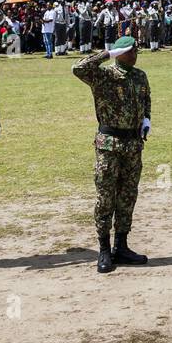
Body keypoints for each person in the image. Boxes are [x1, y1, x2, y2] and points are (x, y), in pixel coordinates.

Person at [73, 36, 152, 274]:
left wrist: (146, 119)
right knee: (106, 197)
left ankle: (122, 245)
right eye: (130, 51)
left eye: (136, 50)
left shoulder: (140, 76)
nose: (135, 54)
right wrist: (109, 52)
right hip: (109, 144)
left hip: (133, 144)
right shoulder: (104, 76)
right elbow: (78, 68)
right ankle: (104, 249)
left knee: (128, 196)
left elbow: (146, 100)